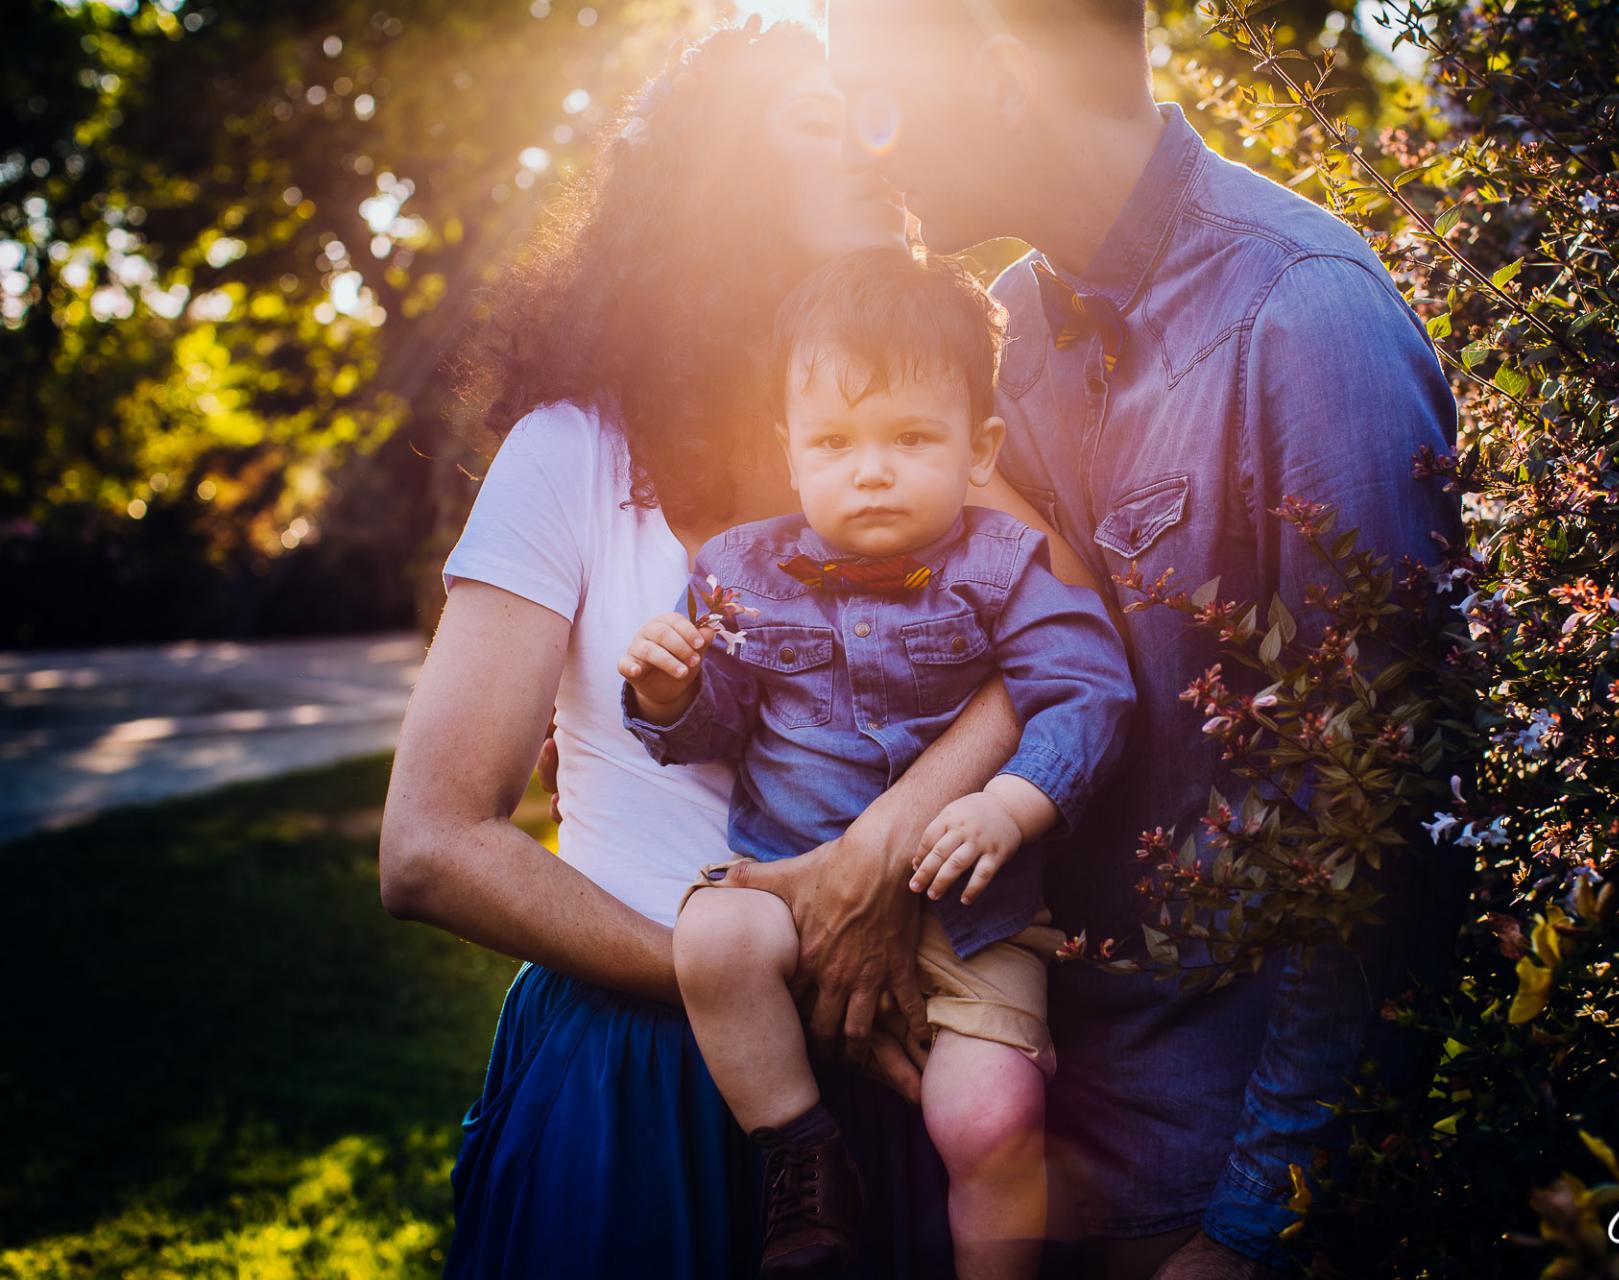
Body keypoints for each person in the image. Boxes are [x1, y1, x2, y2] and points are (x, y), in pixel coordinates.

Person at [378, 19, 1108, 1278]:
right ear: (719, 190)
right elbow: (433, 844)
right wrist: (745, 984)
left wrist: (881, 854)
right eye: (827, 125)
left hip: (901, 1046)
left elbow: (1065, 656)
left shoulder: (911, 444)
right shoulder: (575, 454)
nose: (884, 144)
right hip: (642, 1072)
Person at [820, 2, 1469, 1276]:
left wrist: (1257, 1222)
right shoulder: (996, 334)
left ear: (1002, 81)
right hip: (1014, 1150)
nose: (867, 148)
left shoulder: (1307, 318)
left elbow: (1387, 821)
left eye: (883, 105)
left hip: (1206, 1180)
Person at [618, 248, 1134, 1278]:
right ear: (792, 452)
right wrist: (667, 690)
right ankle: (801, 1154)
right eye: (836, 441)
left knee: (992, 1118)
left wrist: (1014, 805)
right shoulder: (736, 576)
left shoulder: (1003, 566)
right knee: (711, 936)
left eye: (911, 437)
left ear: (979, 445)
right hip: (797, 895)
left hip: (975, 906)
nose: (872, 467)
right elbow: (714, 724)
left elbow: (1087, 686)